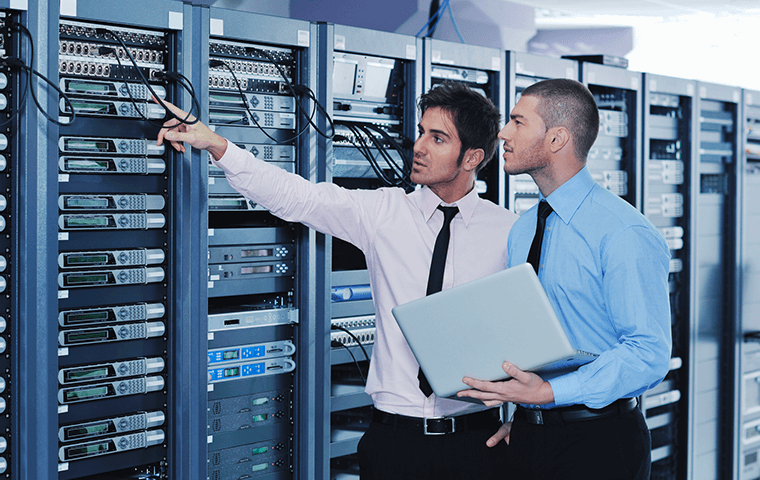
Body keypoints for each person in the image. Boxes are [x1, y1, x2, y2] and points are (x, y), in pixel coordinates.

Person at [156, 82, 517, 479]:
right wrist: (217, 145)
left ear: (473, 157)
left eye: (438, 138)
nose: (419, 146)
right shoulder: (384, 211)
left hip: (475, 443)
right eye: (421, 131)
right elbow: (298, 198)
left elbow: (531, 336)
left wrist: (526, 418)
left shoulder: (509, 232)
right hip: (394, 440)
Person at [457, 78, 672, 479]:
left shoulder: (623, 233)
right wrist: (530, 417)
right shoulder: (523, 229)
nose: (503, 132)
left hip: (600, 442)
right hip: (528, 436)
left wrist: (550, 395)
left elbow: (648, 354)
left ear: (556, 139)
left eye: (518, 122)